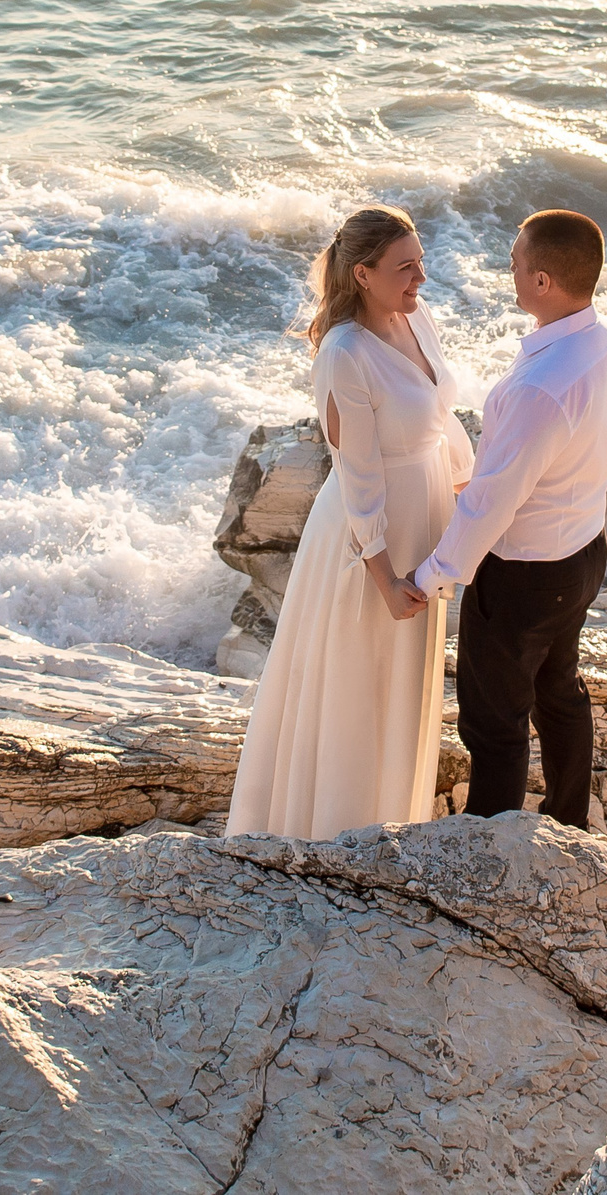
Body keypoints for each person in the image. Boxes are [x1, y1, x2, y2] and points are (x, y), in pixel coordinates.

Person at [224, 205, 477, 841]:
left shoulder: (415, 316)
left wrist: (471, 488)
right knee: (358, 690)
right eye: (405, 268)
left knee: (403, 690)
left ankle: (393, 822)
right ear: (362, 274)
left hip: (424, 522)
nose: (420, 278)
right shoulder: (344, 354)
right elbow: (359, 474)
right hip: (371, 542)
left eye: (421, 261)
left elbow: (441, 415)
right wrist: (385, 576)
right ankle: (334, 834)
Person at [403, 210, 607, 829]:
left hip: (525, 573)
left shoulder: (540, 386)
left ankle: (487, 851)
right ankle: (568, 823)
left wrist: (429, 577)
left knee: (493, 721)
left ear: (544, 282)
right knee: (559, 691)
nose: (510, 267)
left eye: (516, 261)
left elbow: (493, 498)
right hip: (584, 550)